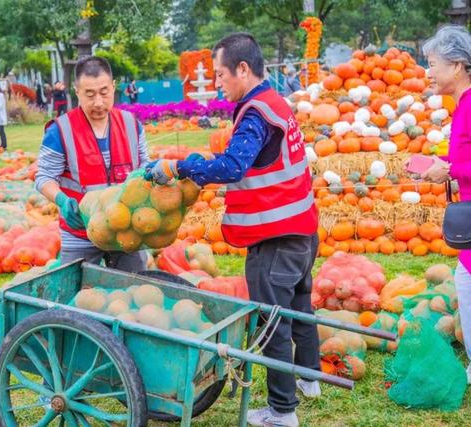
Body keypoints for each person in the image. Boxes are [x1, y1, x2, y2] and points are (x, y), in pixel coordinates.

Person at [145, 33, 319, 427]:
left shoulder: (256, 112)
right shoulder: (275, 101)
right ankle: (309, 378)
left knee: (272, 320)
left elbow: (231, 166)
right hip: (302, 228)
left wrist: (179, 167)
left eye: (221, 74)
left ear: (243, 69)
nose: (219, 83)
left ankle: (281, 411)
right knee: (300, 307)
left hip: (274, 235)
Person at [35, 56, 150, 272]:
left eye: (104, 92)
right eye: (89, 94)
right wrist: (62, 200)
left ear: (114, 87)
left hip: (126, 228)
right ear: (76, 91)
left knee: (133, 291)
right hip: (81, 231)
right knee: (76, 294)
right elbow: (44, 178)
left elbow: (145, 165)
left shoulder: (132, 125)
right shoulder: (60, 130)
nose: (98, 102)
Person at [418, 25, 471, 382]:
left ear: (457, 65)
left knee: (466, 286)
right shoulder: (462, 105)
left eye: (434, 64)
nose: (429, 73)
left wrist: (450, 169)